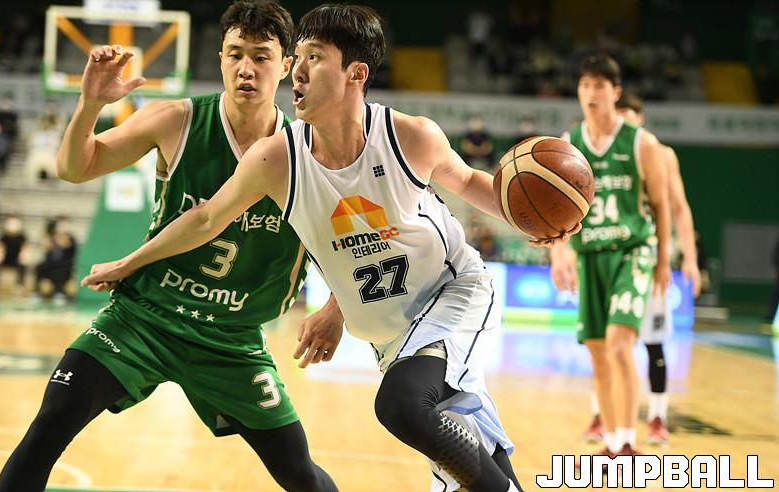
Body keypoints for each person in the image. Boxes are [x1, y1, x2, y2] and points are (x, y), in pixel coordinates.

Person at [82, 5, 579, 491]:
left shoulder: (409, 137)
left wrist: (538, 220)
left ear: (356, 73)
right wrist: (130, 263)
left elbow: (471, 182)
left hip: (452, 295)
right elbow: (206, 218)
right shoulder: (277, 159)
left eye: (315, 58)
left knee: (402, 406)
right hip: (390, 335)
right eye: (297, 58)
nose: (297, 71)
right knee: (467, 451)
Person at [0, 2, 340, 491]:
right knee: (50, 422)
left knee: (298, 472)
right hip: (145, 318)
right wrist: (90, 105)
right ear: (220, 58)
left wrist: (335, 308)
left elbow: (351, 239)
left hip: (232, 339)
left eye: (261, 57)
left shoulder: (310, 150)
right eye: (235, 54)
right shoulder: (177, 120)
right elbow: (75, 168)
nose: (246, 68)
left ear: (285, 66)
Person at [549, 54, 671, 458]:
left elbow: (662, 206)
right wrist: (559, 253)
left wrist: (664, 261)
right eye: (585, 85)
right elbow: (557, 206)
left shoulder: (641, 143)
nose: (591, 93)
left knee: (620, 346)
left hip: (633, 251)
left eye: (599, 86)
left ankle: (629, 443)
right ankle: (613, 443)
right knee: (599, 353)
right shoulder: (569, 144)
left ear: (615, 92)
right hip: (589, 254)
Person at [581, 91, 702, 446]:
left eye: (629, 115)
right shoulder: (597, 148)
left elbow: (677, 207)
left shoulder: (658, 152)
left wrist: (688, 257)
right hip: (608, 253)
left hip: (645, 256)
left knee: (652, 342)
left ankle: (657, 417)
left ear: (640, 119)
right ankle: (603, 419)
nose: (623, 122)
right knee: (606, 345)